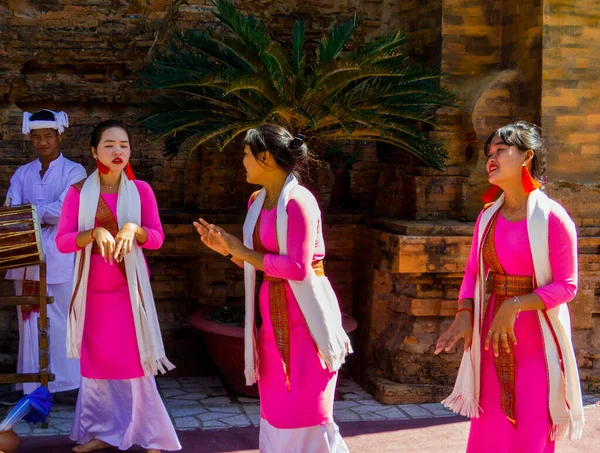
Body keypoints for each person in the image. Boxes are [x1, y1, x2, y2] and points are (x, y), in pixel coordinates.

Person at [194, 124, 352, 452]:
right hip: (272, 325)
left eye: (246, 154)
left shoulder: (299, 201)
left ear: (265, 157)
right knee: (277, 414)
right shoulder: (258, 201)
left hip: (307, 324)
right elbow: (255, 261)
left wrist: (240, 251)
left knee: (307, 414)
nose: (242, 161)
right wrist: (226, 249)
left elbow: (297, 267)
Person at [435, 121, 584, 452]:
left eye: (501, 150)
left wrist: (514, 305)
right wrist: (464, 313)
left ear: (526, 157)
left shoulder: (553, 218)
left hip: (535, 341)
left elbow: (567, 286)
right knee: (490, 431)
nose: (491, 158)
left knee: (529, 428)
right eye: (489, 152)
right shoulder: (487, 216)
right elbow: (473, 271)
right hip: (491, 339)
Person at [55, 120, 180, 453]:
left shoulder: (141, 192)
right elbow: (64, 241)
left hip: (129, 295)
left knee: (135, 365)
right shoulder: (78, 193)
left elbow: (156, 238)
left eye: (123, 145)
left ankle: (151, 435)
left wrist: (132, 228)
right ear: (94, 151)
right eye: (109, 145)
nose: (118, 151)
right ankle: (100, 432)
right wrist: (93, 233)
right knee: (97, 367)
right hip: (92, 297)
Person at [4, 109, 85, 402]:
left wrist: (28, 214)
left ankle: (66, 386)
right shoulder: (22, 173)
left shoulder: (75, 171)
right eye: (36, 137)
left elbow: (66, 212)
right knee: (28, 319)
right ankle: (28, 387)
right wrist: (37, 214)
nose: (42, 142)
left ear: (59, 136)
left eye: (47, 136)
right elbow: (10, 213)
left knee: (61, 317)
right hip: (26, 257)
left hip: (60, 255)